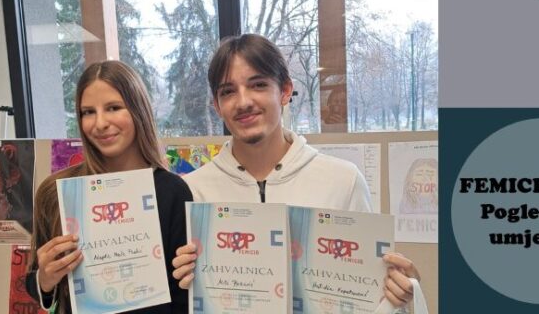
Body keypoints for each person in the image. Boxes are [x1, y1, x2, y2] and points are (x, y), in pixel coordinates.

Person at [172, 34, 421, 309]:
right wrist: (181, 284)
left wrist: (398, 296)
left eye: (258, 85)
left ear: (285, 91)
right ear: (217, 106)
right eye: (228, 91)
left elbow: (370, 299)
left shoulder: (343, 181)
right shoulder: (192, 191)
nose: (243, 102)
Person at [25, 61, 192, 314]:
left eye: (113, 108)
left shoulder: (172, 191)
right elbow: (36, 283)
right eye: (88, 112)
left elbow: (182, 294)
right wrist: (45, 279)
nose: (100, 123)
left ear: (138, 110)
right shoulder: (56, 193)